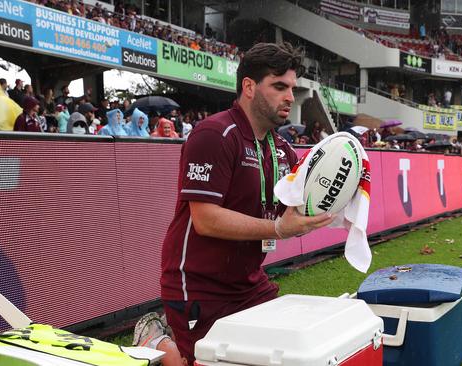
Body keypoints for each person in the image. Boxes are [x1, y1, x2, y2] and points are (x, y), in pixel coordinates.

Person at [132, 42, 334, 366]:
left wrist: (342, 200)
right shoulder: (213, 134)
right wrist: (280, 229)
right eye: (279, 86)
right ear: (249, 87)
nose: (289, 98)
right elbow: (205, 219)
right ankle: (158, 342)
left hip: (249, 284)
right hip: (197, 286)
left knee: (289, 354)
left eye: (292, 88)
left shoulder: (283, 151)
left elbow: (295, 212)